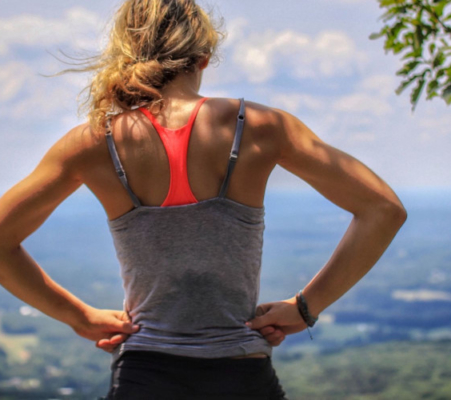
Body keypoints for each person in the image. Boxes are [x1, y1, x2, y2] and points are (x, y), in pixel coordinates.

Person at [0, 0, 407, 399]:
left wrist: (79, 317)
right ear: (204, 57)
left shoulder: (92, 142)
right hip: (242, 374)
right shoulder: (261, 128)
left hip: (143, 376)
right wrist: (305, 307)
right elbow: (383, 209)